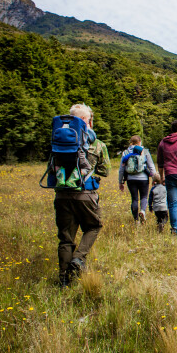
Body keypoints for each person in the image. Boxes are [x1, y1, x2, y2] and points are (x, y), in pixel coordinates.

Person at [55, 103, 110, 285]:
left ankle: (64, 280)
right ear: (87, 121)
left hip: (62, 194)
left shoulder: (57, 140)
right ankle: (78, 259)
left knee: (65, 237)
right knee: (94, 226)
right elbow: (105, 170)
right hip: (85, 193)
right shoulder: (96, 143)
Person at [118, 135, 156, 223]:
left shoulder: (126, 152)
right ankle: (142, 211)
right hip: (144, 178)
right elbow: (151, 166)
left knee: (134, 199)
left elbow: (121, 169)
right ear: (140, 142)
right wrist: (154, 178)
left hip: (131, 179)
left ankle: (136, 220)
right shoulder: (145, 151)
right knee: (144, 197)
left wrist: (121, 182)